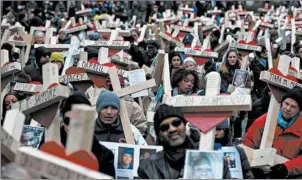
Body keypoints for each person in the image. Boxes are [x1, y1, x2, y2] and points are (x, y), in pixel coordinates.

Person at [138, 104, 231, 179]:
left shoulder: (214, 162)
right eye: (164, 127)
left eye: (176, 123)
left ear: (185, 126)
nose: (172, 129)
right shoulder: (148, 169)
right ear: (159, 135)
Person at [242, 86, 302, 179]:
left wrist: (286, 168)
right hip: (260, 172)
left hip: (288, 175)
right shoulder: (264, 120)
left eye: (293, 106)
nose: (288, 108)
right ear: (282, 103)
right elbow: (247, 144)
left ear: (299, 110)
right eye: (286, 103)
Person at [57, 91, 116, 177]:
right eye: (69, 120)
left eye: (79, 121)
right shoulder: (48, 143)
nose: (73, 127)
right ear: (63, 119)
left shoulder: (104, 156)